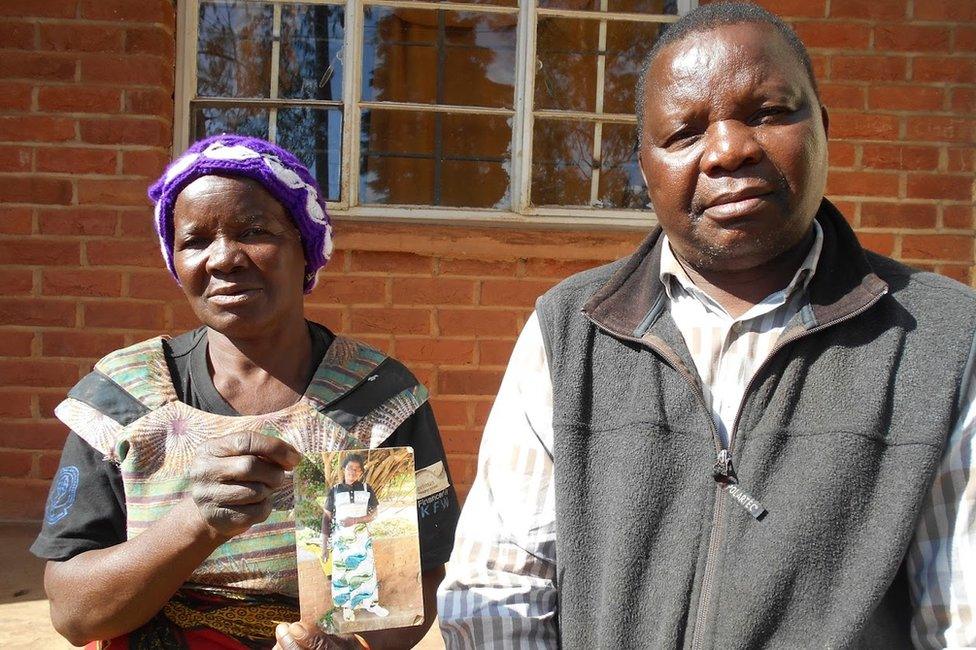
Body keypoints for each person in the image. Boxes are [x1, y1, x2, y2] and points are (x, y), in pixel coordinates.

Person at [437, 3, 975, 649]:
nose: (728, 150)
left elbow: (961, 616)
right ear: (645, 166)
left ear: (822, 129)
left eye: (768, 113)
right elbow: (498, 597)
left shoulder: (943, 338)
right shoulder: (569, 332)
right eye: (685, 133)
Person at [30, 134, 460, 650]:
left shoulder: (371, 399)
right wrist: (198, 521)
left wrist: (349, 645)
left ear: (307, 249)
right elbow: (75, 614)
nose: (224, 259)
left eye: (255, 231)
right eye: (194, 241)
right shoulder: (124, 397)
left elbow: (403, 591)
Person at [321, 453, 388, 622]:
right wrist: (324, 546)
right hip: (341, 540)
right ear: (344, 469)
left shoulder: (367, 489)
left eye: (357, 469)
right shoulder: (335, 490)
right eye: (350, 468)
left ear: (361, 473)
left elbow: (374, 514)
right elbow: (326, 518)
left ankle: (371, 604)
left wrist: (356, 520)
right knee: (343, 573)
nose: (353, 471)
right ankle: (347, 608)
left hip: (361, 538)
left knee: (366, 571)